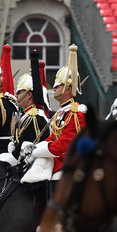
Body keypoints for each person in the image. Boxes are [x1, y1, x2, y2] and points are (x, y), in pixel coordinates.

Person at [23, 45, 88, 181]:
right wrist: (35, 146)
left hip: (71, 163)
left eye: (58, 86)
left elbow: (64, 144)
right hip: (59, 160)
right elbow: (53, 137)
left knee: (54, 181)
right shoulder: (62, 112)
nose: (55, 88)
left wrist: (36, 152)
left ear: (69, 89)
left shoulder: (76, 113)